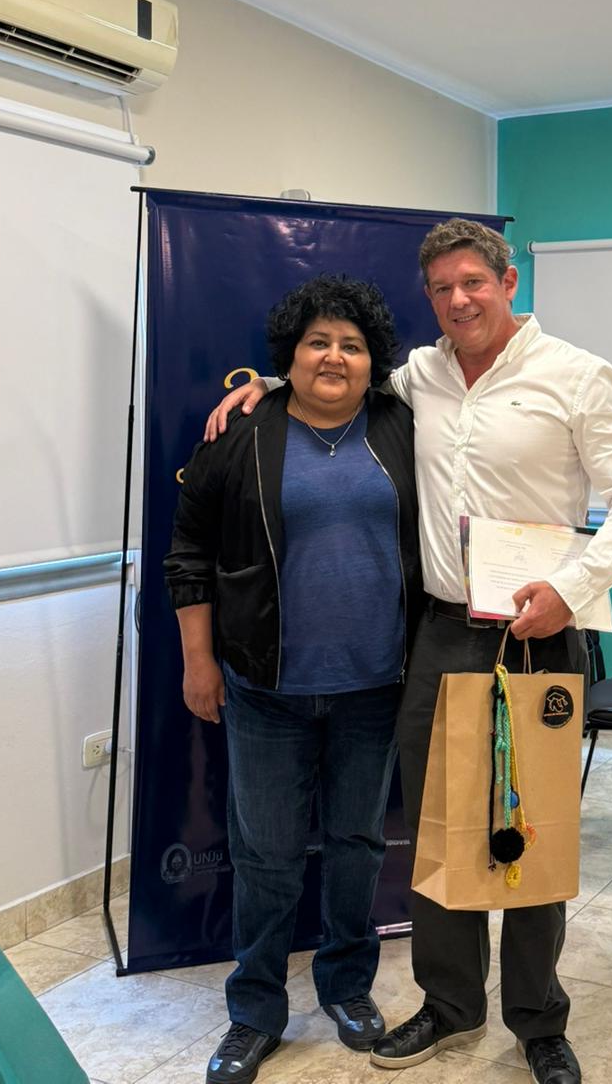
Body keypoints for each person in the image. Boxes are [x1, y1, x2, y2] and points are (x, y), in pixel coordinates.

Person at [207, 221, 612, 1084]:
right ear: (429, 298)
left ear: (508, 282)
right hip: (444, 631)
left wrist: (571, 586)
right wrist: (264, 385)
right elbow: (330, 379)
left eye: (473, 283)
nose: (459, 300)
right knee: (441, 832)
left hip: (538, 632)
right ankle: (451, 1004)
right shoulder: (419, 375)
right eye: (442, 289)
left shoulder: (575, 375)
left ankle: (539, 1020)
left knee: (528, 830)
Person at [165, 275, 422, 1084]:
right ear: (291, 354)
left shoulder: (403, 427)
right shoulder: (242, 434)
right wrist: (198, 661)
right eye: (318, 342)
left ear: (374, 360)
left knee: (356, 844)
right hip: (265, 690)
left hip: (375, 687)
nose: (334, 357)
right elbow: (189, 553)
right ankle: (256, 1011)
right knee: (267, 854)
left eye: (351, 344)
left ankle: (347, 986)